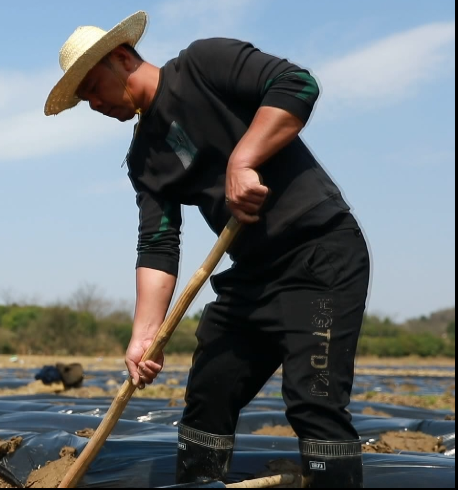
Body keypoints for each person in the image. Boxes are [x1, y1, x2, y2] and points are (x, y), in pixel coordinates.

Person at [44, 11, 370, 488]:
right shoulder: (144, 157)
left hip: (318, 254)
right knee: (210, 391)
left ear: (121, 57)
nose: (93, 104)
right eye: (84, 99)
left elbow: (297, 84)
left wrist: (245, 158)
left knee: (313, 401)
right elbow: (158, 243)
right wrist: (144, 334)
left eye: (93, 87)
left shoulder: (202, 64)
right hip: (253, 273)